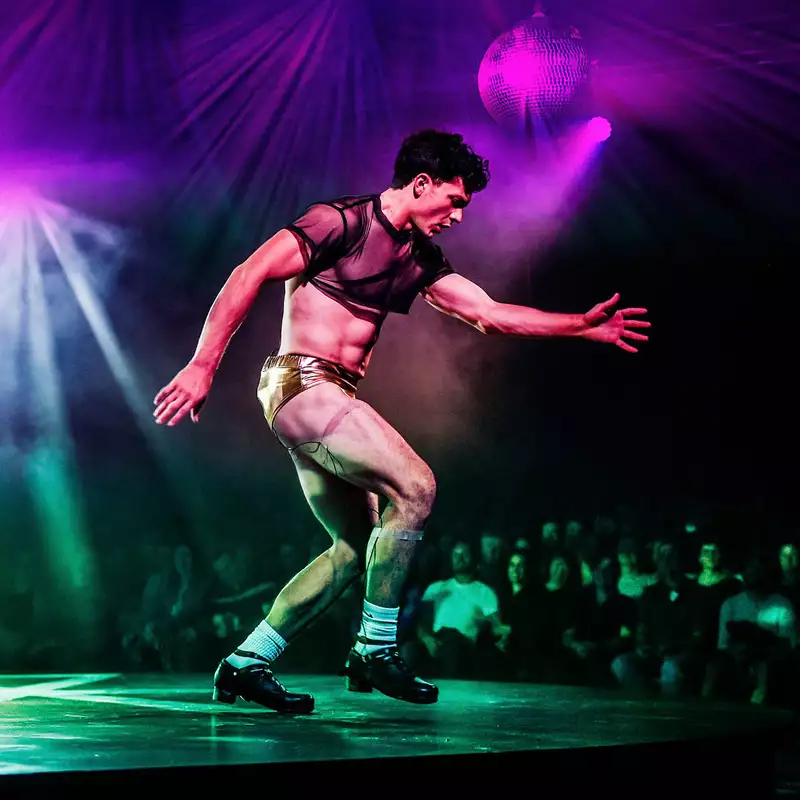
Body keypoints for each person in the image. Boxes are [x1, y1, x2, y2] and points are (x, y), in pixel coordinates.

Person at [153, 129, 650, 713]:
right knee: (416, 487)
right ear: (421, 185)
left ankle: (245, 662)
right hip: (301, 382)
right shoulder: (336, 223)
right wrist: (202, 365)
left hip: (323, 394)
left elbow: (488, 315)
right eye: (455, 200)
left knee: (354, 546)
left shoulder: (418, 256)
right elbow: (248, 273)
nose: (459, 216)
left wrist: (578, 325)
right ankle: (374, 646)